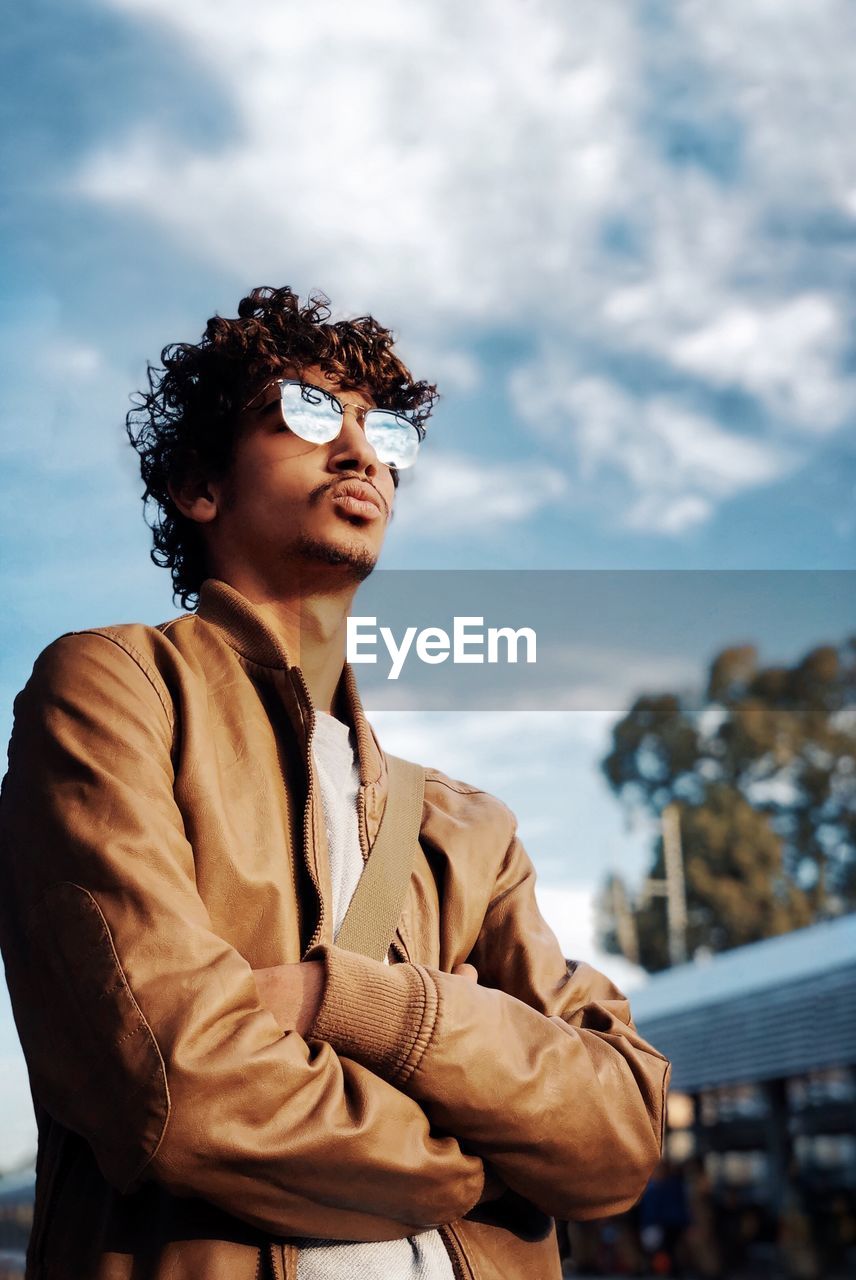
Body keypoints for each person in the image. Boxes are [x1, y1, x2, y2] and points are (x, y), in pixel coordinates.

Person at [0, 286, 671, 1280]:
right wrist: (500, 1163)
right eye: (308, 413)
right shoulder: (115, 690)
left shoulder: (467, 827)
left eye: (380, 428)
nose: (359, 450)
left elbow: (617, 1131)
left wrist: (345, 999)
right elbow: (178, 1090)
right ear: (199, 485)